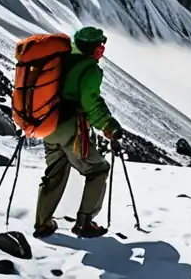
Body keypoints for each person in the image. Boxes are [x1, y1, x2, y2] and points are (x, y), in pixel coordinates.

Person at [33, 27, 124, 239]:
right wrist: (108, 126)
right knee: (98, 169)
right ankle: (85, 222)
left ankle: (42, 223)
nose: (102, 49)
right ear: (93, 48)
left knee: (55, 172)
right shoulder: (89, 69)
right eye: (100, 45)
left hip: (48, 124)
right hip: (69, 127)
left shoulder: (62, 59)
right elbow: (91, 103)